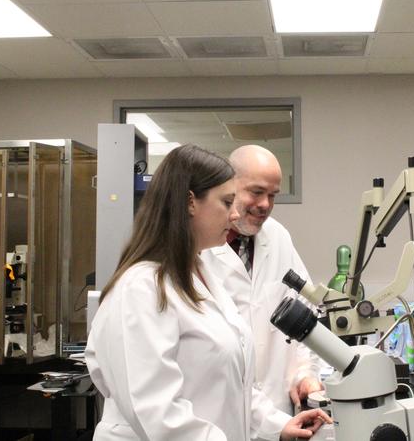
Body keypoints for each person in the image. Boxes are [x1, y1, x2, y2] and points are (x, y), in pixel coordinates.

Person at [85, 144, 330, 441]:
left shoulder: (199, 277)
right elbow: (158, 414)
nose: (235, 213)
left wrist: (276, 425)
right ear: (190, 202)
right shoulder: (141, 289)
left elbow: (232, 385)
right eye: (227, 202)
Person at [200, 145, 324, 429]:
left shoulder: (277, 237)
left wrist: (305, 373)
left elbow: (305, 314)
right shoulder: (200, 248)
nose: (265, 204)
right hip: (216, 420)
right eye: (256, 192)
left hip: (278, 411)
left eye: (272, 195)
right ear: (229, 185)